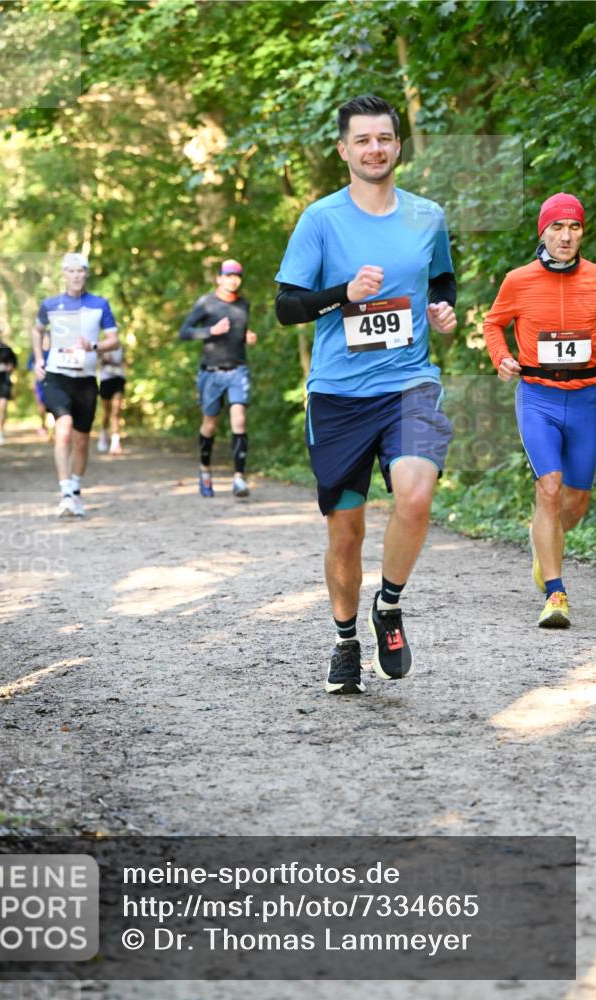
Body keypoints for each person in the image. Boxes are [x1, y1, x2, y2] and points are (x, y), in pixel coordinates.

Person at [275, 93, 457, 695]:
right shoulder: (320, 219)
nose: (374, 149)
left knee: (415, 493)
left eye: (384, 138)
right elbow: (285, 307)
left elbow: (442, 277)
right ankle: (346, 639)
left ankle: (391, 604)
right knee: (345, 533)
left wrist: (442, 309)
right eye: (362, 140)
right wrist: (344, 292)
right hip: (338, 396)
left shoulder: (426, 215)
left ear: (397, 145)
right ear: (343, 149)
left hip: (409, 381)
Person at [483, 192, 596, 629]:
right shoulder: (518, 280)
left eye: (574, 227)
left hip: (587, 399)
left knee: (576, 501)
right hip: (538, 397)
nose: (565, 236)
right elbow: (493, 322)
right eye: (557, 227)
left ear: (582, 232)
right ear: (542, 232)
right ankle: (555, 592)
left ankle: (544, 543)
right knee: (549, 488)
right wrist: (501, 357)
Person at [32, 253, 120, 518]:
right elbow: (36, 330)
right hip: (57, 376)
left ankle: (76, 489)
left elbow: (113, 340)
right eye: (71, 271)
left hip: (85, 380)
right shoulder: (50, 304)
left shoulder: (99, 305)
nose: (76, 275)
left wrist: (93, 346)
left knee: (81, 441)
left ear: (87, 274)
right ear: (64, 274)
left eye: (81, 271)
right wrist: (38, 359)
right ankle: (65, 492)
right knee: (64, 429)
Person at [179, 259, 258, 498]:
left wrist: (246, 337)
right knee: (210, 424)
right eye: (228, 275)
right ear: (219, 278)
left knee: (239, 419)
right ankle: (205, 470)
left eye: (237, 275)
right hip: (211, 372)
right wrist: (210, 331)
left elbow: (239, 332)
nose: (233, 279)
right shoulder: (207, 303)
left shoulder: (244, 305)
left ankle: (239, 479)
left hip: (237, 369)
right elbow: (184, 332)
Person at [97, 347, 126, 455]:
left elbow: (123, 361)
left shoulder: (121, 347)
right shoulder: (103, 345)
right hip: (106, 379)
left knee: (116, 412)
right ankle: (103, 434)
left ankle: (115, 442)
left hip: (119, 378)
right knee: (107, 412)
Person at [26, 333, 51, 437]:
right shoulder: (36, 353)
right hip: (40, 383)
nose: (46, 341)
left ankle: (53, 428)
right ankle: (43, 425)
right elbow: (30, 367)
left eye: (48, 339)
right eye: (44, 339)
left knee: (53, 406)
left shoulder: (54, 352)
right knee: (41, 406)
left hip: (52, 383)